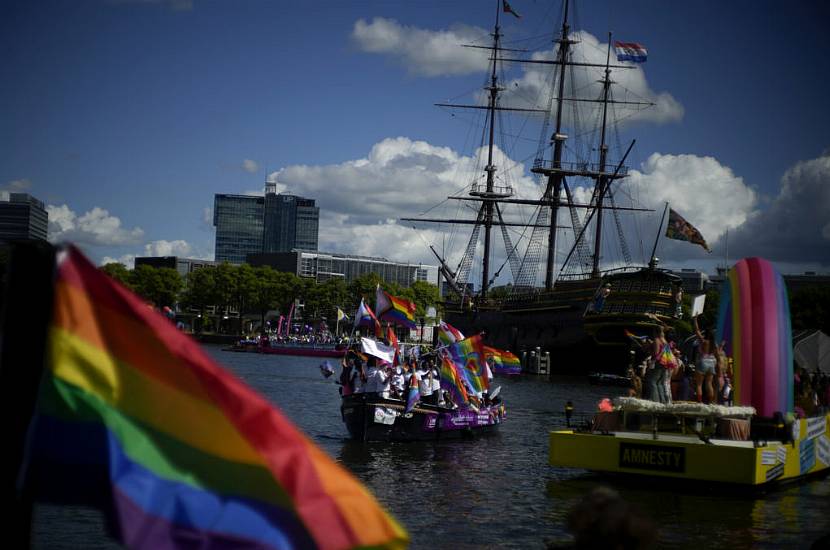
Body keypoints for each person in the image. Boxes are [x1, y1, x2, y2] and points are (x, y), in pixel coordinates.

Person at [692, 315, 716, 403]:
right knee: (709, 383)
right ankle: (711, 402)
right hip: (712, 362)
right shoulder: (714, 344)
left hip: (703, 361)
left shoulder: (703, 341)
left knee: (699, 384)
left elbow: (697, 330)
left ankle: (700, 401)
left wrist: (695, 320)